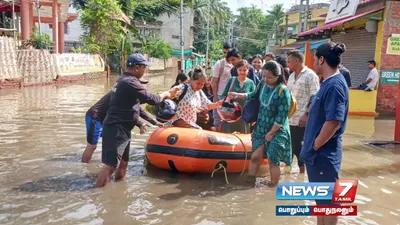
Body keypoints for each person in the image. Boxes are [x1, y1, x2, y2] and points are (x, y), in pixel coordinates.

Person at [96, 53, 179, 188]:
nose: (144, 71)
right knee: (110, 166)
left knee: (123, 163)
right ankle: (97, 194)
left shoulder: (124, 80)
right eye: (143, 68)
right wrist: (167, 93)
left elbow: (136, 108)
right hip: (116, 128)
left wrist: (152, 122)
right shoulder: (130, 82)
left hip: (123, 129)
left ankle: (118, 193)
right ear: (136, 68)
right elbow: (153, 99)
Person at [300, 42, 349, 225]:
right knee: (321, 203)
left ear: (322, 59)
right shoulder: (328, 83)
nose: (313, 63)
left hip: (323, 155)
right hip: (318, 156)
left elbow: (333, 122)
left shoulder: (334, 85)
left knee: (329, 204)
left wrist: (314, 145)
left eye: (314, 59)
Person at [229, 61, 292, 187]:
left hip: (277, 130)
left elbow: (282, 115)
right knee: (255, 157)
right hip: (261, 127)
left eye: (269, 77)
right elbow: (253, 95)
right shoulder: (262, 84)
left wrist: (272, 132)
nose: (265, 79)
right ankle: (249, 183)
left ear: (278, 76)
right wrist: (239, 95)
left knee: (272, 160)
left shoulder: (283, 91)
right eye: (263, 76)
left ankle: (273, 186)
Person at [82, 91, 162, 163]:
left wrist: (154, 123)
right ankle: (84, 169)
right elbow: (127, 113)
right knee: (92, 146)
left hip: (106, 120)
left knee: (110, 143)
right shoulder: (123, 92)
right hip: (96, 117)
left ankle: (104, 164)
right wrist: (140, 123)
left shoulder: (131, 92)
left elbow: (138, 110)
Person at [286, 50, 320, 173]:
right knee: (289, 145)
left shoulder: (310, 75)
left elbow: (315, 96)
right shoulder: (291, 76)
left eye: (289, 61)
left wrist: (307, 114)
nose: (287, 64)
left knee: (299, 146)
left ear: (297, 61)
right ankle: (288, 172)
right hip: (290, 118)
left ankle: (302, 171)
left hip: (302, 119)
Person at [220, 60, 255, 134]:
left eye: (244, 70)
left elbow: (254, 98)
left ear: (248, 70)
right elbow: (223, 95)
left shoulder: (251, 83)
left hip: (245, 114)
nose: (242, 72)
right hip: (231, 113)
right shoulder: (231, 80)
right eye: (240, 70)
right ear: (236, 70)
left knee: (243, 136)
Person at [211, 42, 233, 131]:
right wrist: (215, 97)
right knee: (218, 120)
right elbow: (214, 82)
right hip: (221, 96)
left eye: (228, 52)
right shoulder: (219, 64)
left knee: (230, 120)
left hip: (233, 97)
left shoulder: (236, 64)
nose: (226, 54)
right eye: (224, 52)